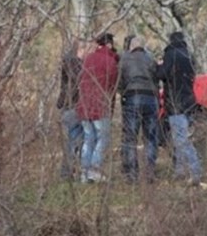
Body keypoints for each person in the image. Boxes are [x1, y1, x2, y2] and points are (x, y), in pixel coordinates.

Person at [157, 31, 202, 186]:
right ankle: (180, 171)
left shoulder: (170, 55)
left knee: (181, 139)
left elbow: (161, 74)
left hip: (176, 103)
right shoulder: (189, 56)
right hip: (189, 101)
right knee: (180, 138)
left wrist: (158, 66)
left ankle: (195, 172)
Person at [76, 32, 119, 183]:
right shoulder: (111, 61)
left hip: (84, 106)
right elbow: (113, 87)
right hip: (100, 106)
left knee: (88, 139)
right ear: (109, 45)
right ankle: (95, 169)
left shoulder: (88, 59)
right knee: (103, 138)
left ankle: (84, 172)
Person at [118, 36, 160, 183]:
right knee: (150, 137)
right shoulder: (150, 59)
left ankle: (132, 174)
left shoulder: (124, 59)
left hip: (132, 97)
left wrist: (122, 94)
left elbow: (120, 79)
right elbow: (157, 78)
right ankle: (149, 171)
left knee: (130, 137)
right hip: (150, 98)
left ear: (131, 46)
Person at [55, 41, 83, 180]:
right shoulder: (71, 62)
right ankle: (67, 172)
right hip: (72, 105)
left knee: (77, 141)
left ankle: (71, 171)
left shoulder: (72, 62)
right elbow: (78, 79)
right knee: (73, 141)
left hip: (74, 105)